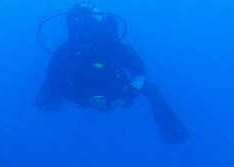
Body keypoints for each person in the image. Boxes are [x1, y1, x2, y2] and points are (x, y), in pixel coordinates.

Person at [34, 6, 190, 143]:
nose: (83, 39)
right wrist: (85, 98)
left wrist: (125, 98)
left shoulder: (115, 48)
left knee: (151, 89)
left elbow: (140, 73)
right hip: (80, 89)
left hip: (114, 87)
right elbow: (52, 78)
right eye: (77, 34)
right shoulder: (65, 51)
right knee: (50, 87)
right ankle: (43, 125)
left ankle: (174, 133)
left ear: (95, 30)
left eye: (87, 33)